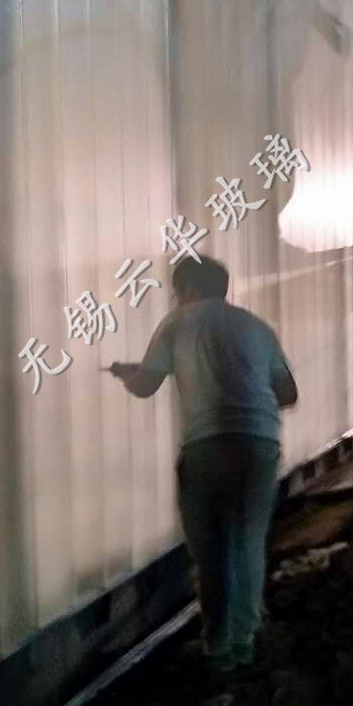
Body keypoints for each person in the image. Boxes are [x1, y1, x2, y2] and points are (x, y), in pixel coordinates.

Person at [109, 256, 298, 674]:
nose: (175, 298)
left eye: (176, 291)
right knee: (248, 544)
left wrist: (126, 374)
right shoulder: (256, 327)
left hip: (207, 445)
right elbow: (287, 393)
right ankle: (244, 643)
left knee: (212, 551)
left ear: (188, 289)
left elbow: (145, 385)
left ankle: (218, 650)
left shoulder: (177, 323)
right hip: (259, 444)